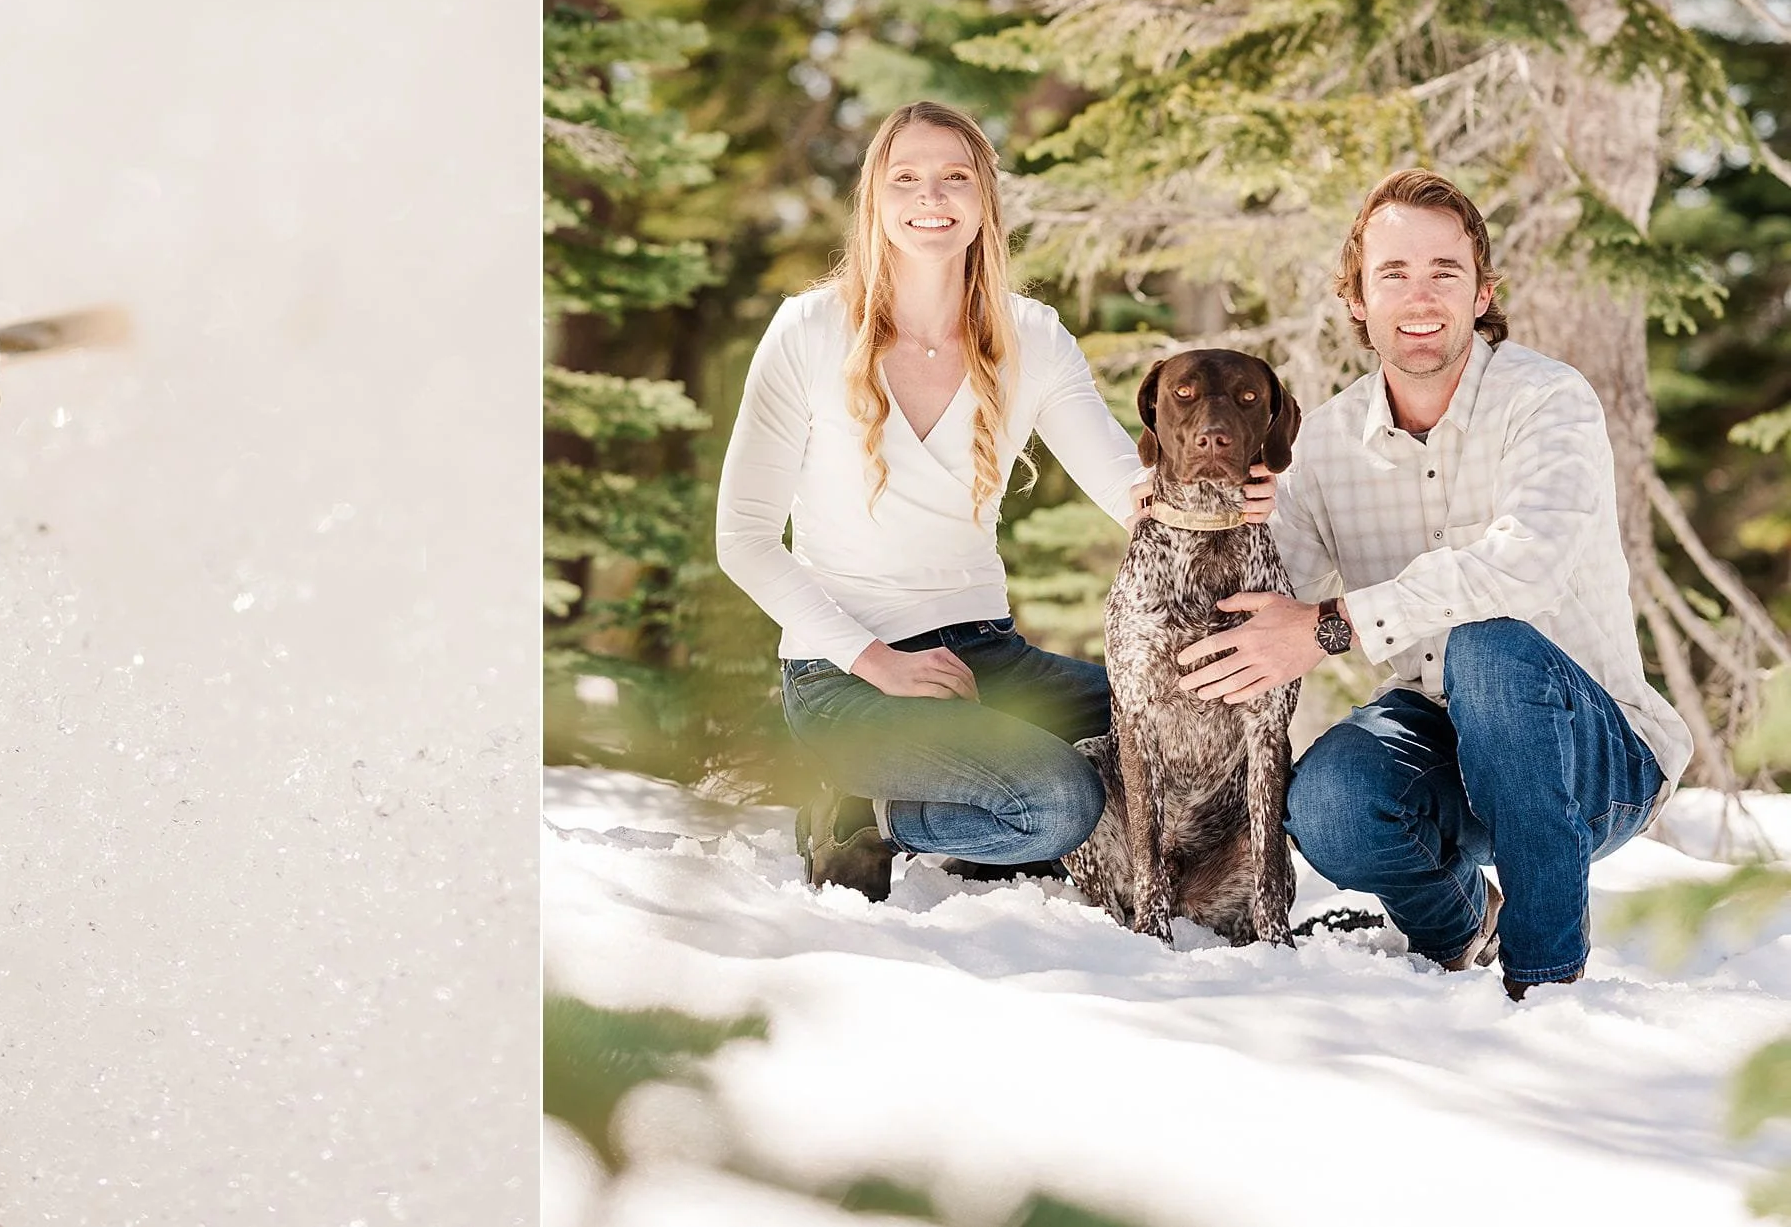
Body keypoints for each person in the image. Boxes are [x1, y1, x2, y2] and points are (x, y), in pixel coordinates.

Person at [715, 100, 1273, 900]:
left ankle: (1026, 833)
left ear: (984, 199)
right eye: (905, 178)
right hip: (843, 672)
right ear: (874, 197)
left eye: (955, 177)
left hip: (990, 656)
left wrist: (1228, 487)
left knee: (1189, 722)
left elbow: (1133, 491)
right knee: (1059, 801)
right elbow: (742, 538)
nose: (930, 197)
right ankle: (864, 814)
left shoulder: (1031, 337)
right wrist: (877, 661)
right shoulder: (808, 329)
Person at [1173, 168, 1694, 996]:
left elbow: (1523, 565)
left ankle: (1545, 983)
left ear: (1482, 292)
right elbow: (1263, 603)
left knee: (1488, 648)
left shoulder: (1548, 400)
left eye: (1444, 272)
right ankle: (1460, 924)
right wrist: (1196, 516)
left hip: (1592, 754)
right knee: (1331, 800)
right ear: (1357, 299)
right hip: (1440, 740)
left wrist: (1333, 624)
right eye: (1393, 274)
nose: (1420, 297)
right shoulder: (1324, 444)